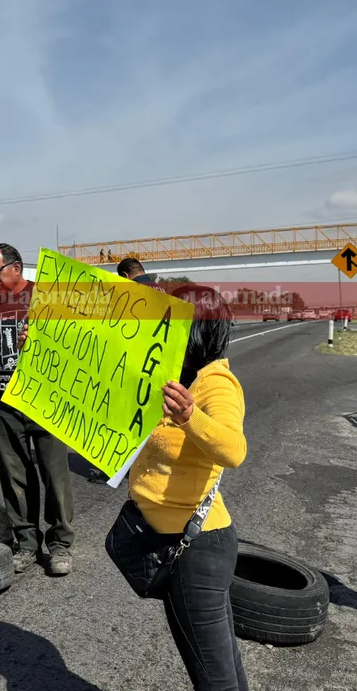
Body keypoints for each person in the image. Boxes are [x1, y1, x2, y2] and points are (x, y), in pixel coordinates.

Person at [128, 284, 248, 690]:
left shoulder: (215, 383)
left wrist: (189, 417)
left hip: (195, 550)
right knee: (223, 665)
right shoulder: (168, 374)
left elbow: (234, 449)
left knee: (214, 678)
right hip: (170, 539)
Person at [0, 243, 74, 576]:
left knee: (54, 475)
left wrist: (41, 342)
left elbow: (72, 348)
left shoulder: (45, 298)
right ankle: (27, 543)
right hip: (4, 405)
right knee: (14, 478)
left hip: (45, 403)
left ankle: (59, 544)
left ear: (16, 268)